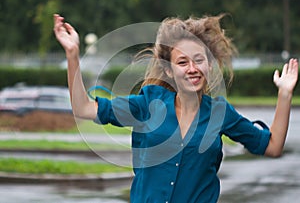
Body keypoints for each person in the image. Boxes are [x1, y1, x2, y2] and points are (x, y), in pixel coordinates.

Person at [53, 13, 298, 203]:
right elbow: (83, 108)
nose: (192, 68)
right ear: (169, 70)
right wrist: (73, 54)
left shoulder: (220, 113)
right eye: (182, 62)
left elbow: (272, 146)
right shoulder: (148, 104)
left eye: (199, 60)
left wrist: (285, 94)